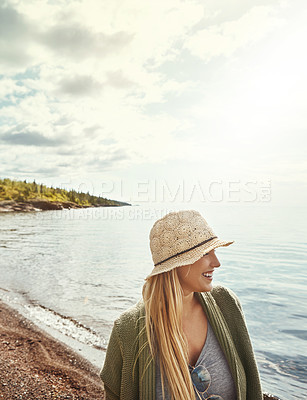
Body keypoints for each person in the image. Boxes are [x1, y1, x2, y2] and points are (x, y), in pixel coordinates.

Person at [100, 209, 263, 400]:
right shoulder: (127, 330)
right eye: (205, 253)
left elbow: (252, 382)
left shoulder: (226, 303)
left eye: (215, 251)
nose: (217, 263)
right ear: (177, 264)